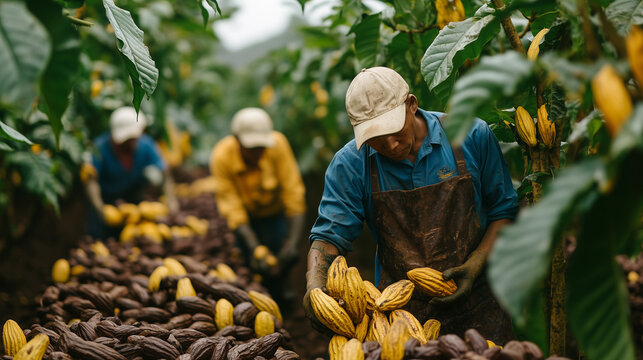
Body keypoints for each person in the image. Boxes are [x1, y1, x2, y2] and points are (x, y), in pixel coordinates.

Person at [303, 67, 519, 343]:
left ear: (412, 104)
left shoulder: (470, 135)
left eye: (394, 131)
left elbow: (504, 211)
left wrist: (477, 262)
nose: (391, 145)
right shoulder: (350, 164)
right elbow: (328, 237)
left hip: (479, 298)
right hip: (401, 313)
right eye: (376, 139)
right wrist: (315, 284)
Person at [210, 107, 306, 305]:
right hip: (247, 216)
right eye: (251, 148)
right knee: (249, 257)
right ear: (236, 140)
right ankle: (258, 294)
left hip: (274, 211)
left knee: (280, 250)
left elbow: (293, 191)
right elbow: (232, 207)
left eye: (261, 147)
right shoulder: (222, 156)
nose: (257, 153)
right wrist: (253, 246)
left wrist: (294, 243)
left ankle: (282, 287)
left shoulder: (278, 145)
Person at [84, 106, 178, 239]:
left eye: (134, 138)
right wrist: (101, 209)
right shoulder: (99, 148)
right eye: (128, 140)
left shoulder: (146, 145)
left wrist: (171, 201)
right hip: (106, 201)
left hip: (133, 200)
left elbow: (164, 172)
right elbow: (90, 180)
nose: (131, 143)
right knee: (99, 239)